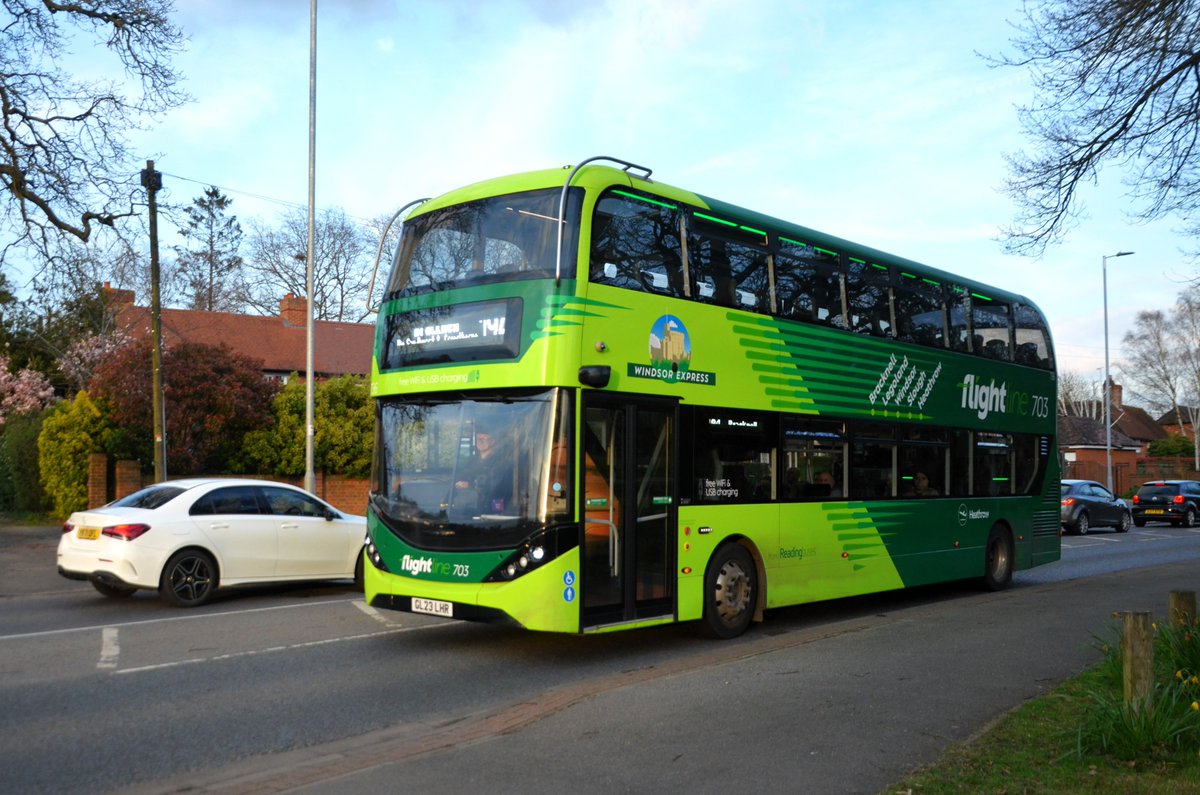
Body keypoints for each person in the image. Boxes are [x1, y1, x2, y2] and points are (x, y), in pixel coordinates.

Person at [455, 426, 513, 512]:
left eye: (484, 438)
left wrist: (471, 485)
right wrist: (458, 483)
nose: (480, 441)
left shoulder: (500, 462)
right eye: (478, 438)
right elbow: (463, 475)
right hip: (470, 506)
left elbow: (497, 486)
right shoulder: (472, 461)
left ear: (493, 441)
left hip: (491, 508)